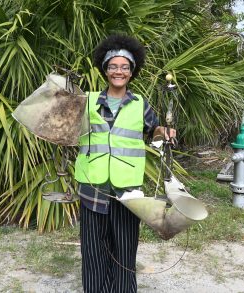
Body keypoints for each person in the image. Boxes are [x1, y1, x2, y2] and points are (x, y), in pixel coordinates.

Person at [74, 34, 176, 293]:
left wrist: (163, 132)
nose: (118, 71)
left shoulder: (139, 103)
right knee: (93, 252)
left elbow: (153, 130)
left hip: (127, 191)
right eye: (113, 66)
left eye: (124, 67)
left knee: (125, 250)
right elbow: (65, 129)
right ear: (105, 70)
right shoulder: (87, 101)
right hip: (92, 187)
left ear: (132, 72)